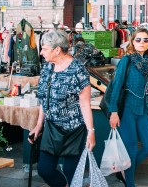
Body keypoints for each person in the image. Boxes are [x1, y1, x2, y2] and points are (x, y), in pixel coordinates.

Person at [29, 29, 95, 187]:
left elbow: (85, 103)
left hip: (74, 130)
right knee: (44, 169)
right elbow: (44, 98)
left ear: (57, 49)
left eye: (44, 49)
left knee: (72, 172)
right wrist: (39, 125)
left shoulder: (77, 70)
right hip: (52, 128)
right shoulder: (47, 68)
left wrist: (91, 131)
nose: (42, 53)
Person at [108, 28, 148, 187]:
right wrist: (113, 111)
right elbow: (117, 85)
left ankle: (125, 170)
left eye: (145, 40)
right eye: (138, 40)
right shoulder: (127, 60)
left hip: (142, 109)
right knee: (130, 148)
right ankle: (129, 182)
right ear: (132, 42)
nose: (142, 43)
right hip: (127, 110)